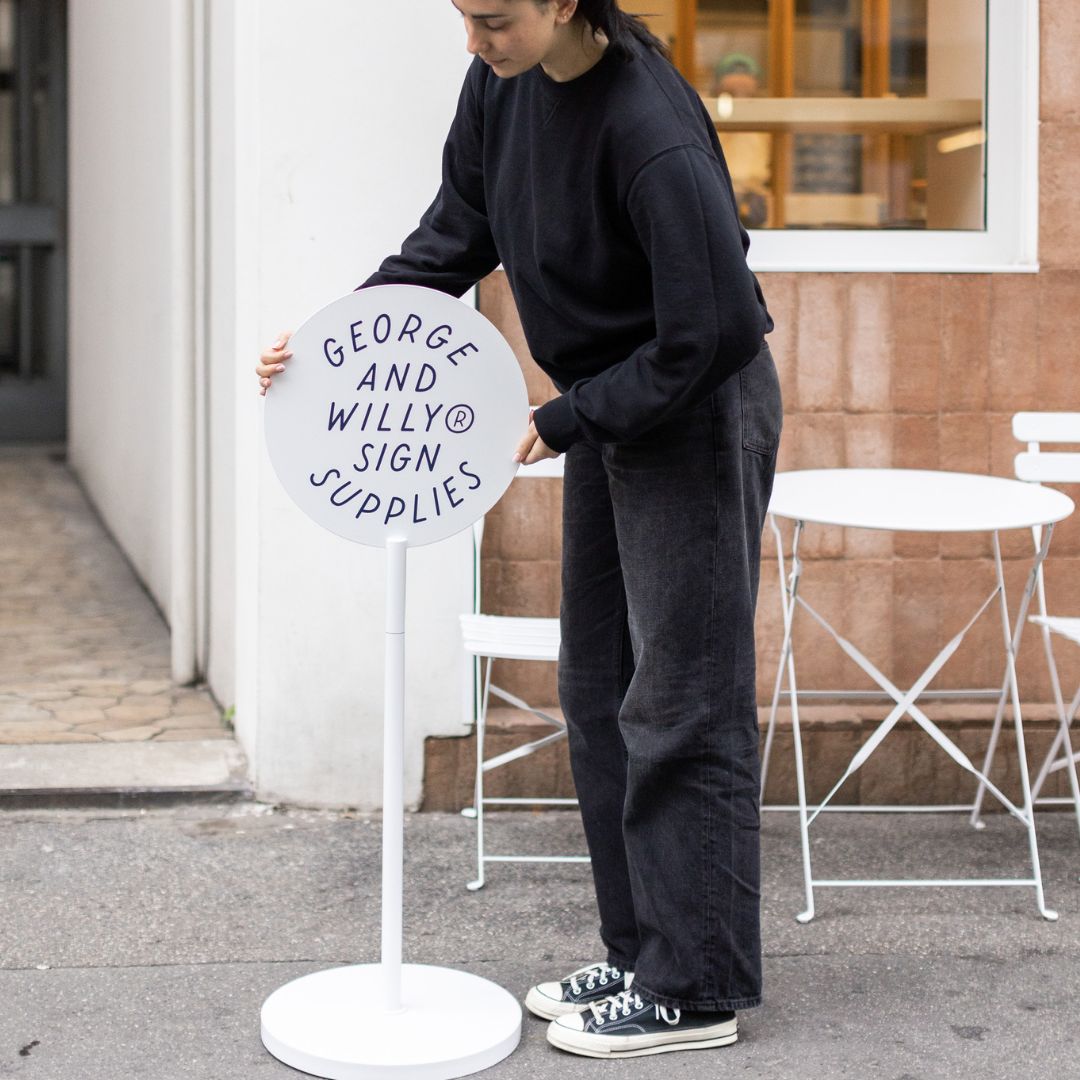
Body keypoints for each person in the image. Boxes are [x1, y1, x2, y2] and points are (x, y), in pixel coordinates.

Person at [256, 0, 782, 1061]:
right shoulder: (501, 86)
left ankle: (697, 986)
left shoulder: (649, 126)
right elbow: (455, 231)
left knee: (680, 698)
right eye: (462, 18)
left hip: (690, 406)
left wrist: (564, 418)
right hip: (608, 405)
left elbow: (715, 329)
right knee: (597, 687)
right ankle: (642, 953)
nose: (474, 43)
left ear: (561, 3)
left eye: (493, 20)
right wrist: (336, 345)